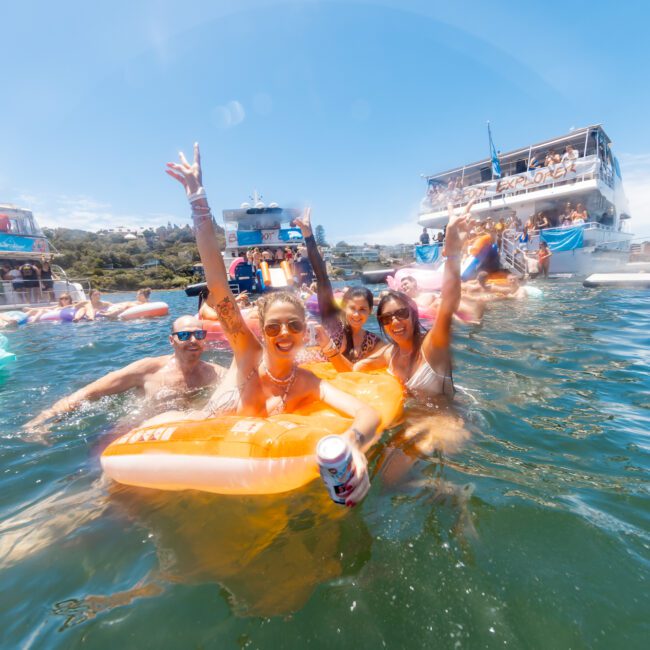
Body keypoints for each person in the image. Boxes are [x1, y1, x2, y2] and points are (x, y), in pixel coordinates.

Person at [164, 143, 379, 507]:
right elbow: (218, 287)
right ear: (260, 330)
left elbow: (368, 412)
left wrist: (354, 444)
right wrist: (199, 201)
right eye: (274, 327)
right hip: (206, 447)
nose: (284, 334)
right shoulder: (247, 355)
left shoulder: (308, 381)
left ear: (304, 331)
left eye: (293, 326)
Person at [23, 316, 225, 439]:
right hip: (134, 431)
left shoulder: (215, 373)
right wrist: (45, 419)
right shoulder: (147, 369)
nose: (192, 340)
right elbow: (88, 393)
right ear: (172, 340)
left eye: (198, 335)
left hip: (185, 431)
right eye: (184, 336)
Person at [355, 201, 472, 401]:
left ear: (413, 314)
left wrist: (453, 253)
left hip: (446, 424)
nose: (395, 322)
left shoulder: (433, 346)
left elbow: (449, 303)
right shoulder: (389, 354)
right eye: (386, 318)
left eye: (401, 313)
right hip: (411, 420)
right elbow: (359, 367)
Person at [294, 208, 384, 371]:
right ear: (344, 307)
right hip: (302, 370)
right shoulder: (332, 319)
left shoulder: (371, 341)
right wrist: (308, 235)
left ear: (370, 311)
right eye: (352, 308)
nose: (356, 314)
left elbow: (394, 352)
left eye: (362, 309)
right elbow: (322, 277)